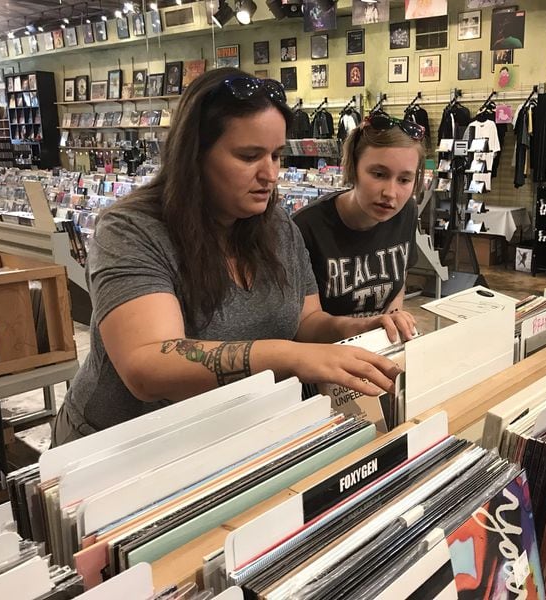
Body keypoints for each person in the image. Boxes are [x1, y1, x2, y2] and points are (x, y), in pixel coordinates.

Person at [51, 68, 412, 445]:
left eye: (275, 155)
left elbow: (306, 320)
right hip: (121, 447)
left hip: (227, 436)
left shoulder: (277, 225)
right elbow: (148, 364)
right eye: (249, 156)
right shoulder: (132, 229)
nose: (269, 173)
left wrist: (353, 329)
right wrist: (288, 356)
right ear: (195, 154)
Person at [293, 112, 424, 322]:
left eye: (404, 179)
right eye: (379, 174)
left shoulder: (406, 211)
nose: (390, 193)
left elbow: (399, 285)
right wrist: (370, 326)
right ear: (354, 168)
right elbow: (306, 324)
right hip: (325, 351)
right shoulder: (305, 228)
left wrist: (393, 321)